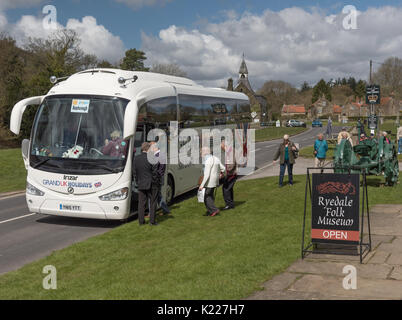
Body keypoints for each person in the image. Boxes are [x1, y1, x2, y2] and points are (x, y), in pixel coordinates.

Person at [133, 142, 159, 226]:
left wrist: (137, 181)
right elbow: (155, 172)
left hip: (141, 184)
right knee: (153, 202)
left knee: (141, 204)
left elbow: (134, 172)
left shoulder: (136, 158)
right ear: (148, 149)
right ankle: (152, 221)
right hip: (151, 184)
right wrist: (155, 182)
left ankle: (141, 221)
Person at [199, 147, 225, 217]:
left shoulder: (207, 161)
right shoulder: (216, 158)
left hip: (209, 182)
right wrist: (221, 173)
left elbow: (206, 175)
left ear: (205, 153)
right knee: (210, 195)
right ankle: (211, 211)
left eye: (201, 152)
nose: (200, 154)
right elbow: (223, 168)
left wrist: (201, 185)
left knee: (206, 197)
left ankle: (214, 210)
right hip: (215, 181)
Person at [149, 141, 170, 214]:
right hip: (158, 178)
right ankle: (165, 210)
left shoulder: (159, 155)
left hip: (157, 178)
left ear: (154, 147)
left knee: (154, 195)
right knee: (158, 195)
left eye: (150, 147)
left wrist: (155, 176)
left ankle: (151, 212)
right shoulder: (160, 155)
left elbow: (160, 169)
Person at [221, 140, 237, 210]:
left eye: (222, 146)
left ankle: (229, 204)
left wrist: (225, 172)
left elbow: (231, 164)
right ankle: (231, 203)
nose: (221, 148)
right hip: (232, 173)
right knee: (229, 189)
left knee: (226, 189)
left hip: (231, 174)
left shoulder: (229, 152)